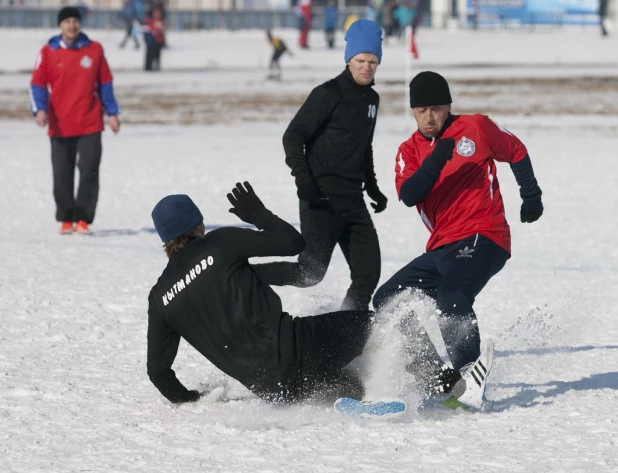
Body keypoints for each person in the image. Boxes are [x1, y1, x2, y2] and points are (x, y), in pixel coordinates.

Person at [373, 71, 544, 408]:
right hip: (441, 248)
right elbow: (409, 194)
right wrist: (436, 161)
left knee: (452, 297)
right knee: (387, 300)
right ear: (413, 112)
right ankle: (442, 380)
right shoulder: (408, 151)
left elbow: (516, 149)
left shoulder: (477, 127)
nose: (429, 116)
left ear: (448, 106)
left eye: (436, 108)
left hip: (484, 234)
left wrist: (531, 195)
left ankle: (470, 378)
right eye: (421, 110)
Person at [147, 182, 374, 404]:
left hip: (273, 389)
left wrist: (191, 399)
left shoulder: (160, 298)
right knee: (381, 328)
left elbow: (158, 372)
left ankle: (359, 392)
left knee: (348, 383)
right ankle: (393, 385)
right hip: (300, 349)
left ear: (165, 239)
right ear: (198, 224)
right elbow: (293, 243)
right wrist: (257, 213)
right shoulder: (220, 243)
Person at [251, 20, 388, 312]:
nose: (367, 67)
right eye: (361, 60)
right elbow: (293, 136)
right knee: (309, 274)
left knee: (368, 274)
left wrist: (373, 186)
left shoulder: (372, 100)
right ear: (349, 59)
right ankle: (246, 275)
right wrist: (304, 181)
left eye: (373, 61)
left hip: (354, 201)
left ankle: (349, 332)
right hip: (321, 198)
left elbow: (364, 145)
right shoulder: (328, 94)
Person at [30, 6, 120, 235]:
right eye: (67, 21)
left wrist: (112, 113)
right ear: (60, 25)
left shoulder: (94, 49)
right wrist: (39, 110)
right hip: (60, 124)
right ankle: (66, 218)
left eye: (75, 21)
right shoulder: (48, 52)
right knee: (62, 173)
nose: (72, 25)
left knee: (89, 169)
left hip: (90, 121)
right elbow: (37, 84)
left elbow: (105, 83)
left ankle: (83, 219)